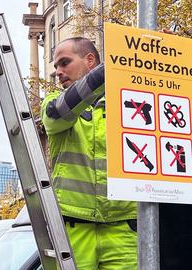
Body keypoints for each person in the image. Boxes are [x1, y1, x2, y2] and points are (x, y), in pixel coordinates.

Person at [41, 37, 137, 269]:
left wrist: (161, 51)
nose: (58, 72)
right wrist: (119, 63)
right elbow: (59, 113)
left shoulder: (128, 103)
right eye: (55, 67)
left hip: (123, 225)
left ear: (90, 60)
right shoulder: (54, 103)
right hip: (74, 226)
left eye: (64, 63)